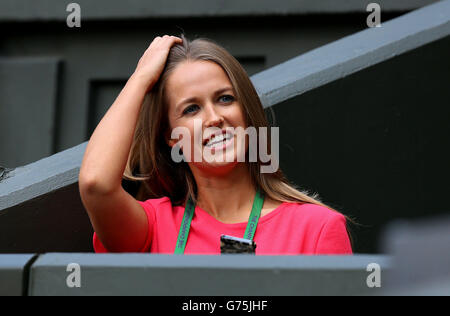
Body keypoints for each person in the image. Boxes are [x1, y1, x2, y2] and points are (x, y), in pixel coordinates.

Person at [79, 34, 353, 255]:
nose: (214, 118)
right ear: (171, 136)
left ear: (246, 112)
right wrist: (140, 79)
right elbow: (96, 184)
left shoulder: (317, 227)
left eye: (225, 99)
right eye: (191, 109)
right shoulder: (153, 227)